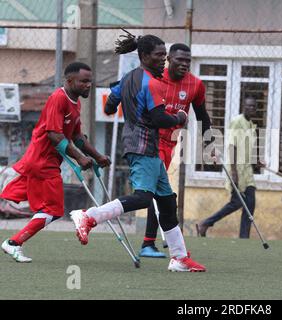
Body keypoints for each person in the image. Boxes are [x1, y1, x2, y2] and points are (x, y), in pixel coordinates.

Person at [70, 32, 206, 272]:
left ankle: (179, 257)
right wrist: (180, 117)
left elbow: (110, 106)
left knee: (166, 202)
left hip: (142, 145)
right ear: (144, 56)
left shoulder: (129, 77)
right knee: (144, 197)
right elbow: (159, 118)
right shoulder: (152, 83)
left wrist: (128, 104)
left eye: (165, 55)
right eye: (158, 55)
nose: (163, 59)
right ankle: (89, 216)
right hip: (144, 146)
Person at [1, 62, 111, 263]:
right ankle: (14, 243)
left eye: (90, 81)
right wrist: (79, 158)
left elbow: (78, 137)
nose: (89, 85)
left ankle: (14, 243)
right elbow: (53, 134)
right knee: (53, 210)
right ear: (69, 81)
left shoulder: (75, 102)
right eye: (84, 81)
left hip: (46, 161)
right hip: (42, 161)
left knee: (41, 206)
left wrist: (97, 156)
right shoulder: (58, 99)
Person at [138, 43, 214, 258]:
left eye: (188, 60)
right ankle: (148, 243)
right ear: (169, 59)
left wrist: (209, 142)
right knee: (156, 191)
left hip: (170, 143)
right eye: (180, 59)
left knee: (156, 192)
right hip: (150, 140)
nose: (184, 64)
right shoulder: (155, 79)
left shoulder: (196, 85)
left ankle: (150, 242)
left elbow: (202, 115)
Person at [196, 97, 265, 239]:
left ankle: (244, 237)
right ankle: (205, 223)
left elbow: (247, 148)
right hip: (236, 169)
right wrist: (233, 171)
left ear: (256, 109)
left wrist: (256, 161)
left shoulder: (251, 125)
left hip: (247, 171)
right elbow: (232, 146)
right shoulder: (237, 122)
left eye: (253, 107)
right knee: (236, 202)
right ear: (243, 107)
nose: (250, 109)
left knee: (250, 204)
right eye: (248, 106)